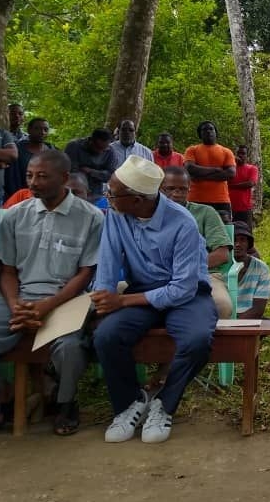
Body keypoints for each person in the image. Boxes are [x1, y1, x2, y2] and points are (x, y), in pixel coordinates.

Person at [0, 150, 103, 436]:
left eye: (42, 176)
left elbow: (85, 274)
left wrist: (47, 306)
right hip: (17, 297)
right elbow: (8, 271)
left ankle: (64, 402)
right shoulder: (14, 216)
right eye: (29, 176)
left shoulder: (91, 217)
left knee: (70, 348)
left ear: (63, 178)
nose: (33, 183)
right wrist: (15, 305)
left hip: (65, 299)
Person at [90, 155, 217, 444]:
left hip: (187, 294)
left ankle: (163, 404)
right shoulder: (117, 214)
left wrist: (121, 302)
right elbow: (107, 264)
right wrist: (103, 298)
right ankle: (130, 403)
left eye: (112, 193)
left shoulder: (182, 223)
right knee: (107, 335)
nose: (107, 197)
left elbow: (181, 289)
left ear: (137, 199)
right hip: (142, 289)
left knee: (196, 339)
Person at [159, 166, 233, 318]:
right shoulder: (150, 214)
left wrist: (185, 268)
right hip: (158, 275)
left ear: (189, 189)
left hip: (204, 275)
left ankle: (209, 341)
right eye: (170, 188)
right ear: (159, 189)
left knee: (221, 305)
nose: (176, 193)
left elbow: (222, 254)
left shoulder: (205, 213)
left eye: (182, 189)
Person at [184, 121, 236, 213]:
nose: (208, 131)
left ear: (216, 132)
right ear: (200, 134)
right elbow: (189, 168)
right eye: (204, 130)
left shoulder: (226, 151)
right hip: (196, 199)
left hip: (220, 199)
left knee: (222, 227)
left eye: (211, 129)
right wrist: (216, 169)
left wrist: (200, 175)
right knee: (195, 227)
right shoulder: (192, 150)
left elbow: (231, 173)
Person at [6, 117, 54, 199]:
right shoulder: (18, 150)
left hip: (47, 197)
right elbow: (11, 178)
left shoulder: (53, 151)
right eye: (37, 129)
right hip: (22, 197)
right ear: (29, 130)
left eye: (45, 129)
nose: (42, 132)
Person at [232, 222, 270, 319]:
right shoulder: (219, 267)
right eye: (233, 240)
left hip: (249, 317)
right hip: (222, 317)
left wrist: (234, 325)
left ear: (249, 244)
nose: (237, 244)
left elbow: (258, 309)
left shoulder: (261, 268)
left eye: (242, 240)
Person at [65, 128, 116, 202]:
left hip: (96, 193)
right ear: (90, 140)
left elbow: (110, 175)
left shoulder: (110, 151)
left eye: (104, 149)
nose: (101, 152)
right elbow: (70, 171)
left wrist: (91, 171)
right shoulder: (74, 146)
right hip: (74, 192)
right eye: (98, 148)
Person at [228, 145, 259, 227]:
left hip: (245, 208)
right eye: (238, 153)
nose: (240, 155)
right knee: (230, 232)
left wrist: (231, 186)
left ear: (247, 155)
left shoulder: (252, 168)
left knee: (246, 232)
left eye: (243, 153)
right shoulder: (230, 168)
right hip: (229, 207)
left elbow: (250, 183)